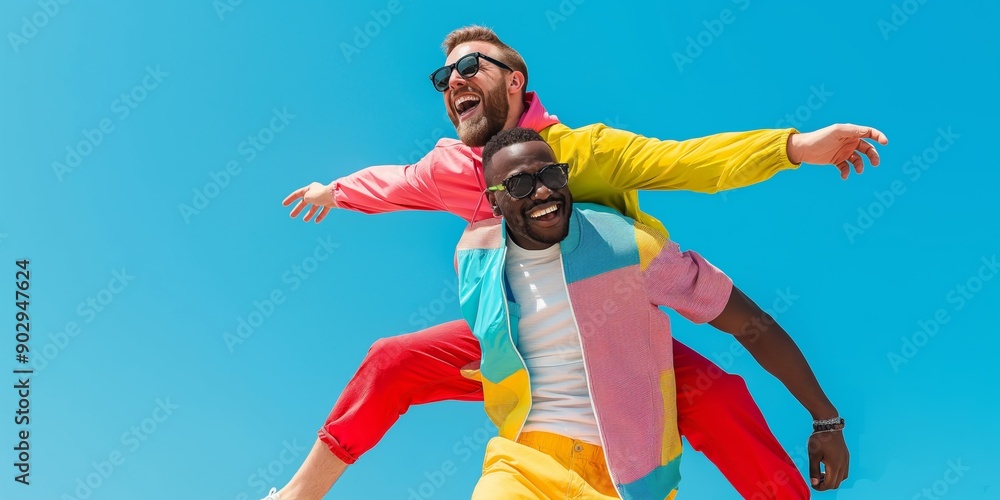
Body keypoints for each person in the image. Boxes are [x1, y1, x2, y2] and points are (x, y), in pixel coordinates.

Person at [269, 26, 883, 500]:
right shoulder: (452, 168)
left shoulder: (585, 152)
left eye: (467, 66)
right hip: (515, 331)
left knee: (719, 399)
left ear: (515, 81)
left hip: (620, 328)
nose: (452, 81)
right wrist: (336, 191)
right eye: (442, 77)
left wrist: (795, 147)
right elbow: (395, 181)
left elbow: (685, 161)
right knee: (391, 359)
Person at [459, 128, 846, 499]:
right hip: (522, 464)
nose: (543, 192)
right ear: (494, 202)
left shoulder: (627, 245)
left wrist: (825, 418)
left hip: (630, 479)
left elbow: (750, 324)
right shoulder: (475, 258)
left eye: (552, 175)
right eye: (520, 185)